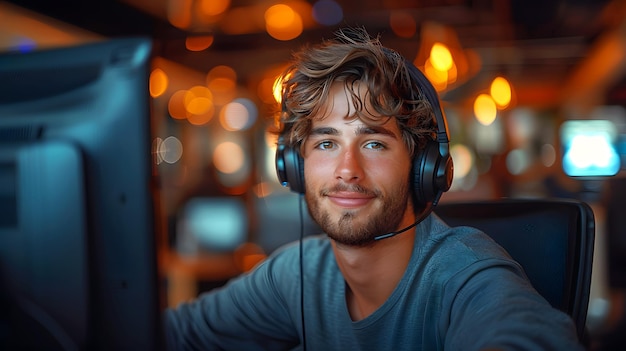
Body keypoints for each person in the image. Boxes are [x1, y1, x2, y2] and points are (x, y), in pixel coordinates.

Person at [164, 27, 584, 350]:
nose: (348, 170)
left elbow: (522, 333)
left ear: (423, 167)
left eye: (374, 143)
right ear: (293, 166)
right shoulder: (297, 275)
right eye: (326, 143)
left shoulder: (465, 275)